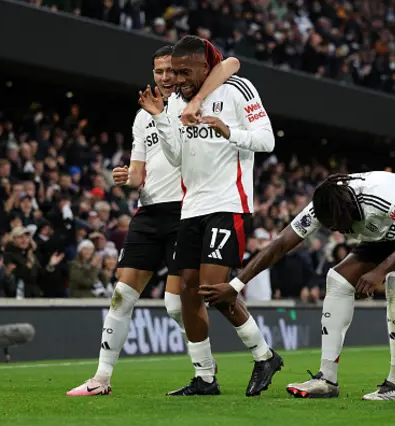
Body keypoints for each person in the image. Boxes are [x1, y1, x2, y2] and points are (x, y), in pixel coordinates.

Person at [66, 44, 241, 397]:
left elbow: (232, 64)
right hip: (148, 213)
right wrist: (125, 178)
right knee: (121, 296)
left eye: (169, 71)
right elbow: (137, 174)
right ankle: (101, 379)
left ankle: (207, 370)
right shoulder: (143, 115)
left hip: (185, 211)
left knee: (178, 305)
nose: (164, 77)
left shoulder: (195, 102)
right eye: (158, 72)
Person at [200, 171, 395, 400]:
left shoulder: (379, 194)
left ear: (349, 210)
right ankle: (327, 379)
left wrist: (380, 272)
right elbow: (280, 244)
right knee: (337, 278)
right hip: (389, 232)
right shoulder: (323, 205)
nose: (337, 231)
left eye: (339, 225)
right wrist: (235, 285)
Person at [139, 36, 281, 397]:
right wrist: (161, 120)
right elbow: (174, 158)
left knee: (212, 289)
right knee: (187, 291)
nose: (177, 78)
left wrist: (227, 130)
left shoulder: (236, 89)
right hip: (191, 209)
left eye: (185, 71)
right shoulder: (174, 103)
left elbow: (267, 141)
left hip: (227, 204)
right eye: (173, 71)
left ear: (206, 67)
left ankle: (263, 355)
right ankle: (204, 377)